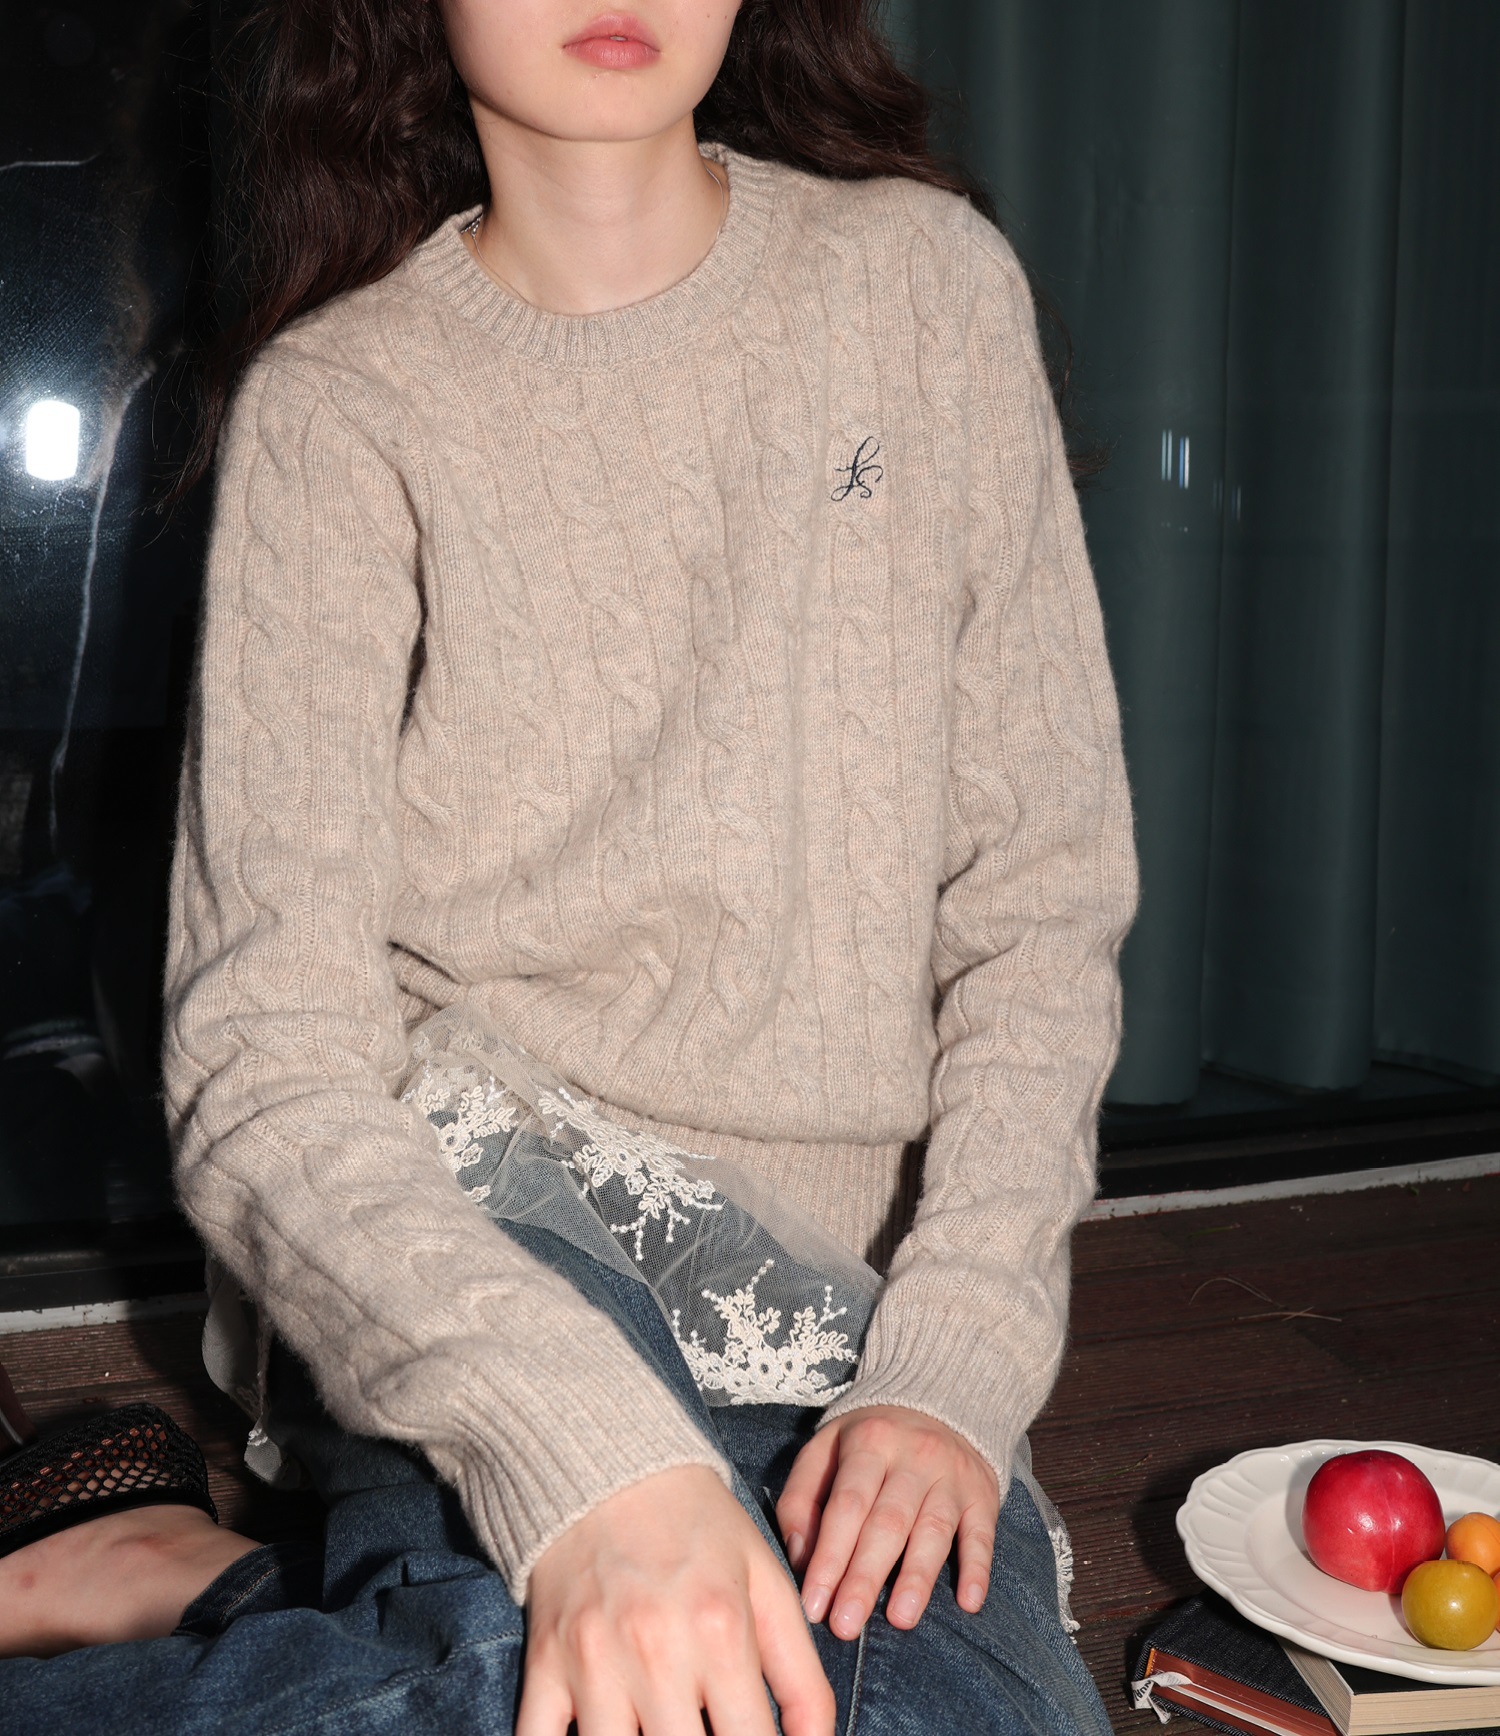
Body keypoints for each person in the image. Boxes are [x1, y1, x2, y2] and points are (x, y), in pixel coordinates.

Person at [0, 1, 1137, 1729]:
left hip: (836, 1305)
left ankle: (217, 1591)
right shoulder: (342, 399)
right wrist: (584, 1457)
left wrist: (954, 1362)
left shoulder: (923, 288)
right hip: (458, 1228)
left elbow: (1038, 905)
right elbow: (267, 1065)